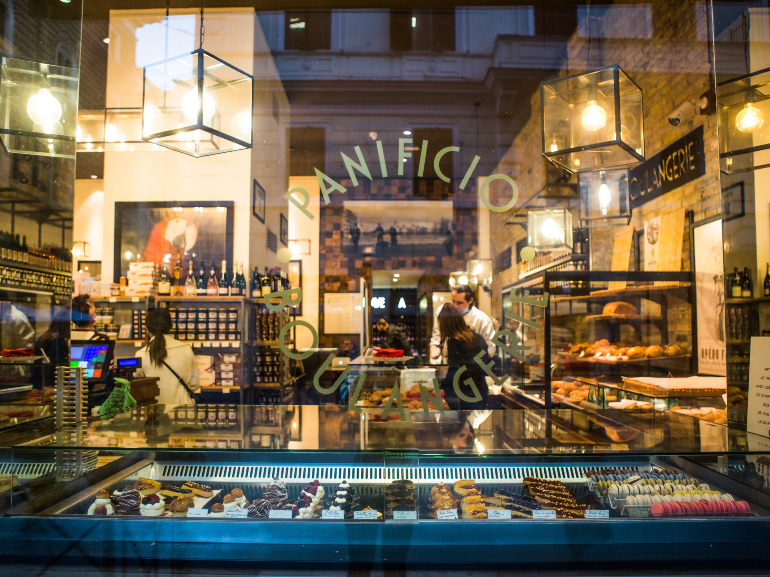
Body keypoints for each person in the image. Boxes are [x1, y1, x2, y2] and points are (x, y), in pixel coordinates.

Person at [134, 308, 200, 405]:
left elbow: (136, 388)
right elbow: (194, 385)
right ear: (171, 327)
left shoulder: (141, 354)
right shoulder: (186, 349)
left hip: (154, 413)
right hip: (183, 411)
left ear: (147, 329)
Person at [436, 304, 489, 410]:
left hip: (464, 394)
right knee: (471, 425)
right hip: (481, 389)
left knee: (461, 423)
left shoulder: (454, 341)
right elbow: (484, 365)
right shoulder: (478, 337)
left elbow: (454, 372)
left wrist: (440, 388)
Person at [430, 285, 496, 361]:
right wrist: (434, 360)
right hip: (448, 363)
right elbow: (437, 338)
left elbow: (490, 350)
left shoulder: (482, 319)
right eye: (453, 301)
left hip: (472, 366)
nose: (455, 306)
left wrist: (470, 361)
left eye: (460, 303)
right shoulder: (443, 313)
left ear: (470, 300)